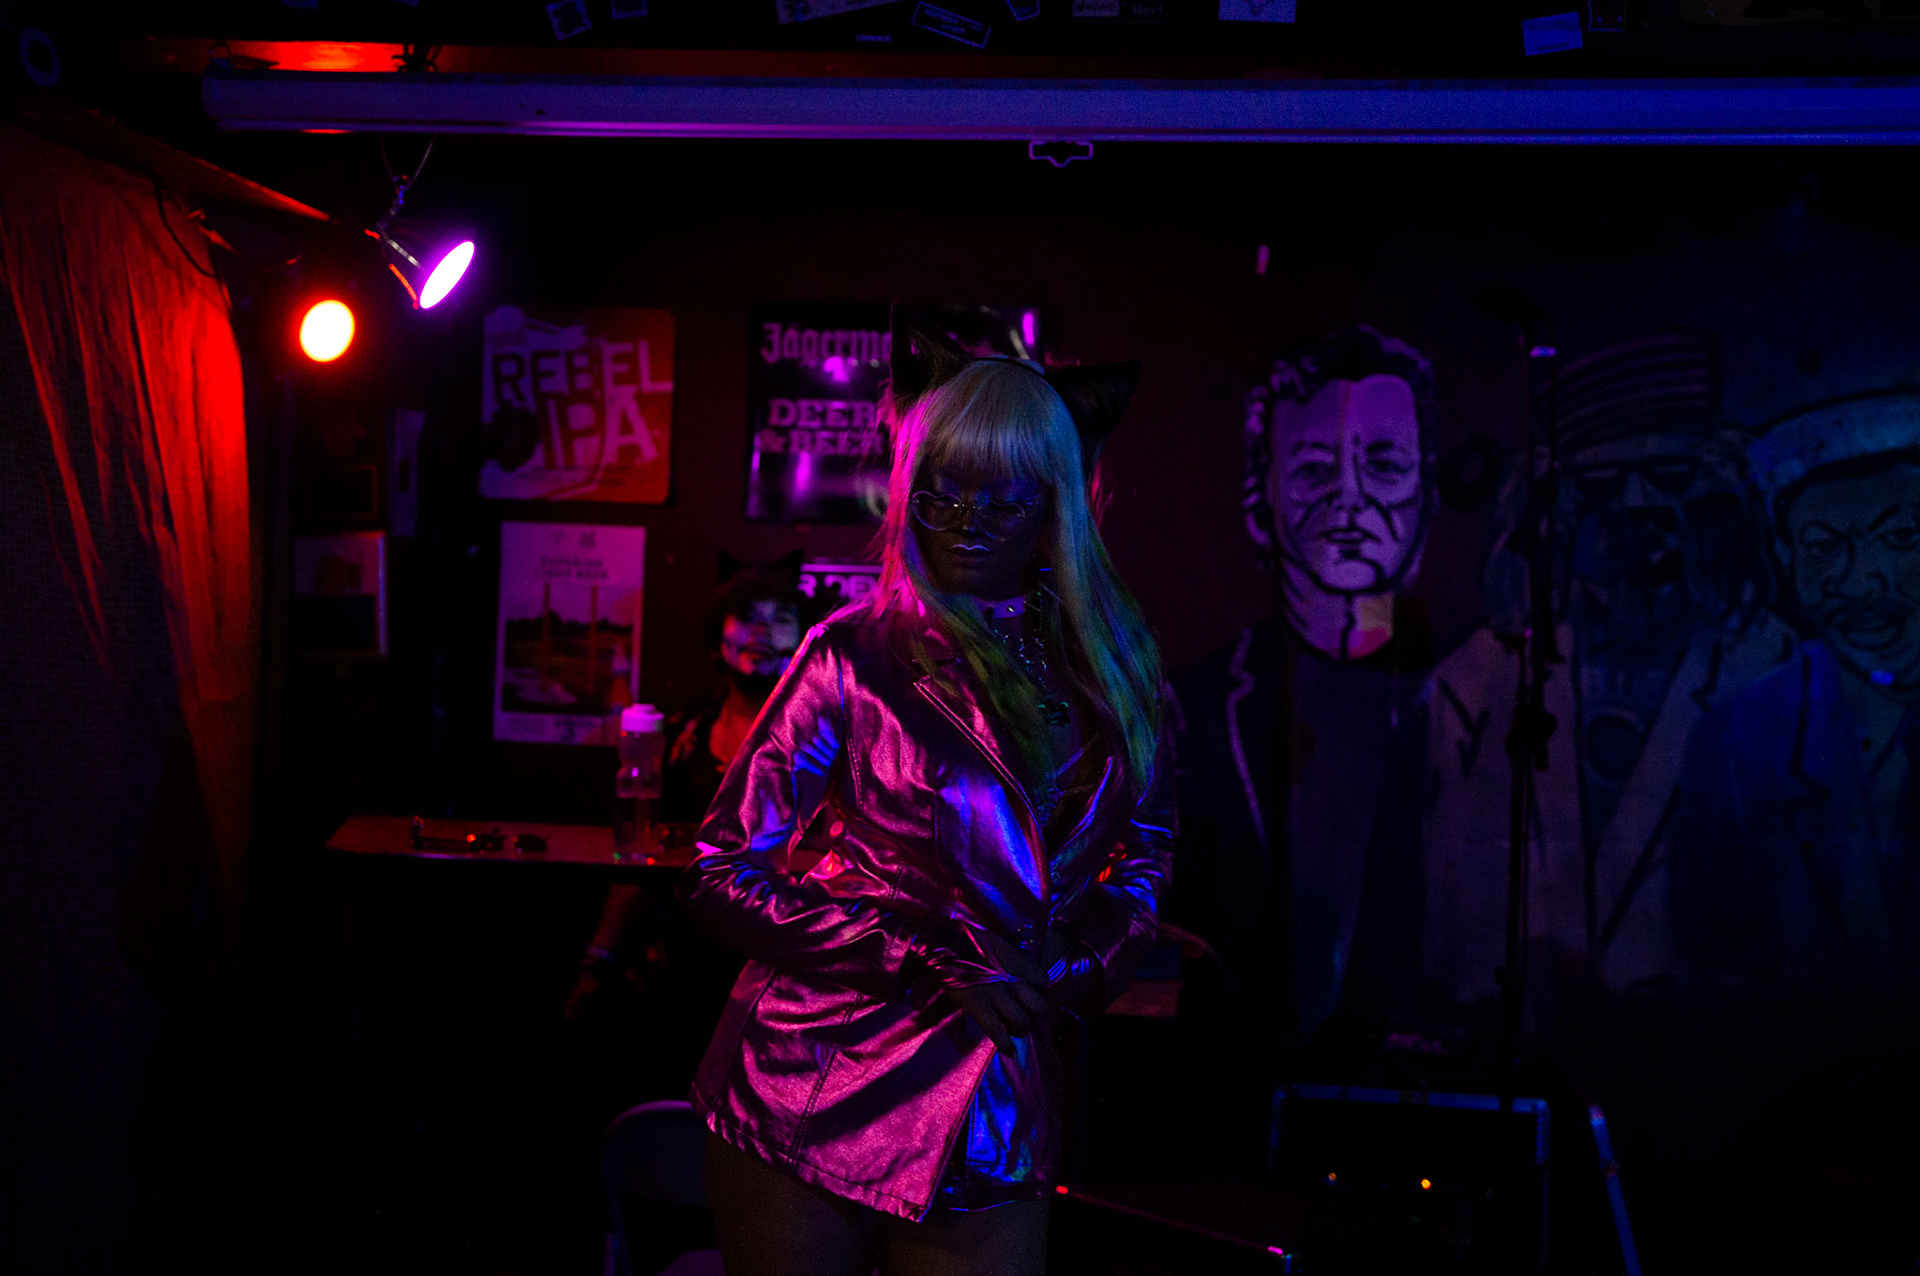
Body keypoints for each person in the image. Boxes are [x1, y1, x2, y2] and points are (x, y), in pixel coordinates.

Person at [677, 309, 1171, 1276]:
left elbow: (1145, 854)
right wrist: (924, 955)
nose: (965, 524)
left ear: (1054, 508)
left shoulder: (1113, 669)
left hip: (993, 1091)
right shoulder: (853, 654)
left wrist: (1071, 967)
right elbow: (718, 869)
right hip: (820, 1071)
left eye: (1002, 501)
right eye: (941, 494)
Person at [1172, 326, 1435, 1073]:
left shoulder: (1464, 696)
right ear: (1262, 500)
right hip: (1236, 1072)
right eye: (1314, 469)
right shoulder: (1196, 705)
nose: (1350, 501)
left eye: (1383, 464)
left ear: (1426, 490)